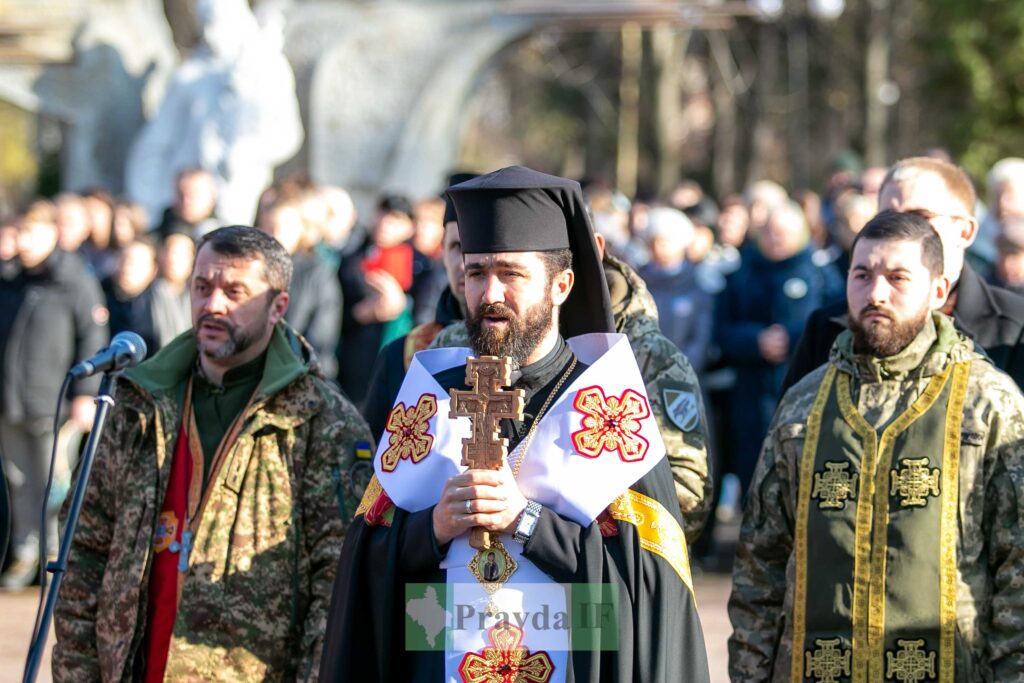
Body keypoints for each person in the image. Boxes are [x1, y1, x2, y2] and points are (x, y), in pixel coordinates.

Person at [319, 166, 709, 682]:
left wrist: (530, 524)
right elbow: (367, 570)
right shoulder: (432, 396)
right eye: (477, 273)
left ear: (561, 284)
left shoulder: (608, 406)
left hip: (573, 654)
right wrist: (431, 530)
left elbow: (648, 592)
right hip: (437, 650)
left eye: (511, 274)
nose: (489, 294)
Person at [52, 226, 373, 681]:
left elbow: (338, 582)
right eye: (202, 287)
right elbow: (83, 549)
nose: (213, 304)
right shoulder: (139, 404)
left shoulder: (321, 421)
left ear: (277, 306)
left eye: (235, 291)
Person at [728, 210, 1024, 680]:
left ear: (939, 290)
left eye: (898, 277)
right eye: (862, 275)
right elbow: (761, 560)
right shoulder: (804, 404)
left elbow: (1017, 565)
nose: (876, 294)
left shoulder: (988, 403)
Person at [429, 239, 713, 542]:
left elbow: (684, 501)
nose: (491, 290)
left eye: (511, 271)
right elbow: (398, 489)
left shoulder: (644, 354)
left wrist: (536, 522)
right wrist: (436, 523)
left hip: (591, 582)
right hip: (456, 581)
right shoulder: (455, 345)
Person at [783, 156, 1024, 393]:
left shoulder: (1014, 328)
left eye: (920, 217)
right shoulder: (830, 327)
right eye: (888, 217)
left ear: (965, 231)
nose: (901, 230)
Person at [0, 200, 108, 588]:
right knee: (18, 481)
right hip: (11, 402)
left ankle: (54, 555)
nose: (22, 241)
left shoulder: (73, 278)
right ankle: (25, 553)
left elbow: (92, 337)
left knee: (53, 484)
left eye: (30, 232)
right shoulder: (10, 277)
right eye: (18, 232)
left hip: (54, 402)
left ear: (51, 233)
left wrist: (86, 393)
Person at [714, 201, 843, 495]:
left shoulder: (821, 276)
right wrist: (755, 341)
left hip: (805, 389)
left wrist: (792, 338)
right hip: (750, 393)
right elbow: (721, 331)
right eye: (770, 232)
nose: (776, 239)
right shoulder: (742, 275)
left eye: (784, 233)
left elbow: (835, 324)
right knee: (753, 471)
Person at [639, 207, 714, 374]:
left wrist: (677, 370)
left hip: (683, 380)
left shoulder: (697, 287)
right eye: (653, 242)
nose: (659, 248)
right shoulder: (637, 282)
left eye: (665, 242)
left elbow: (699, 342)